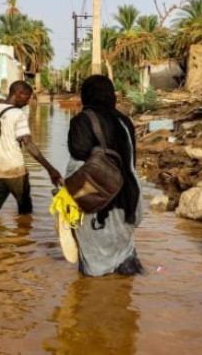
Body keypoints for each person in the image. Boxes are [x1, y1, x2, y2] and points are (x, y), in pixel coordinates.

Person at [67, 75, 143, 276]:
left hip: (97, 198)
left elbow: (78, 159)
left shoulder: (82, 120)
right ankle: (126, 280)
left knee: (94, 260)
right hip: (128, 196)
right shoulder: (125, 121)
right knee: (123, 247)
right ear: (111, 96)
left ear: (85, 96)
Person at [0, 81, 62, 219]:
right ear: (18, 94)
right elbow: (28, 144)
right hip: (15, 172)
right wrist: (50, 169)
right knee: (25, 213)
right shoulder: (18, 114)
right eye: (27, 97)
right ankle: (23, 238)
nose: (28, 102)